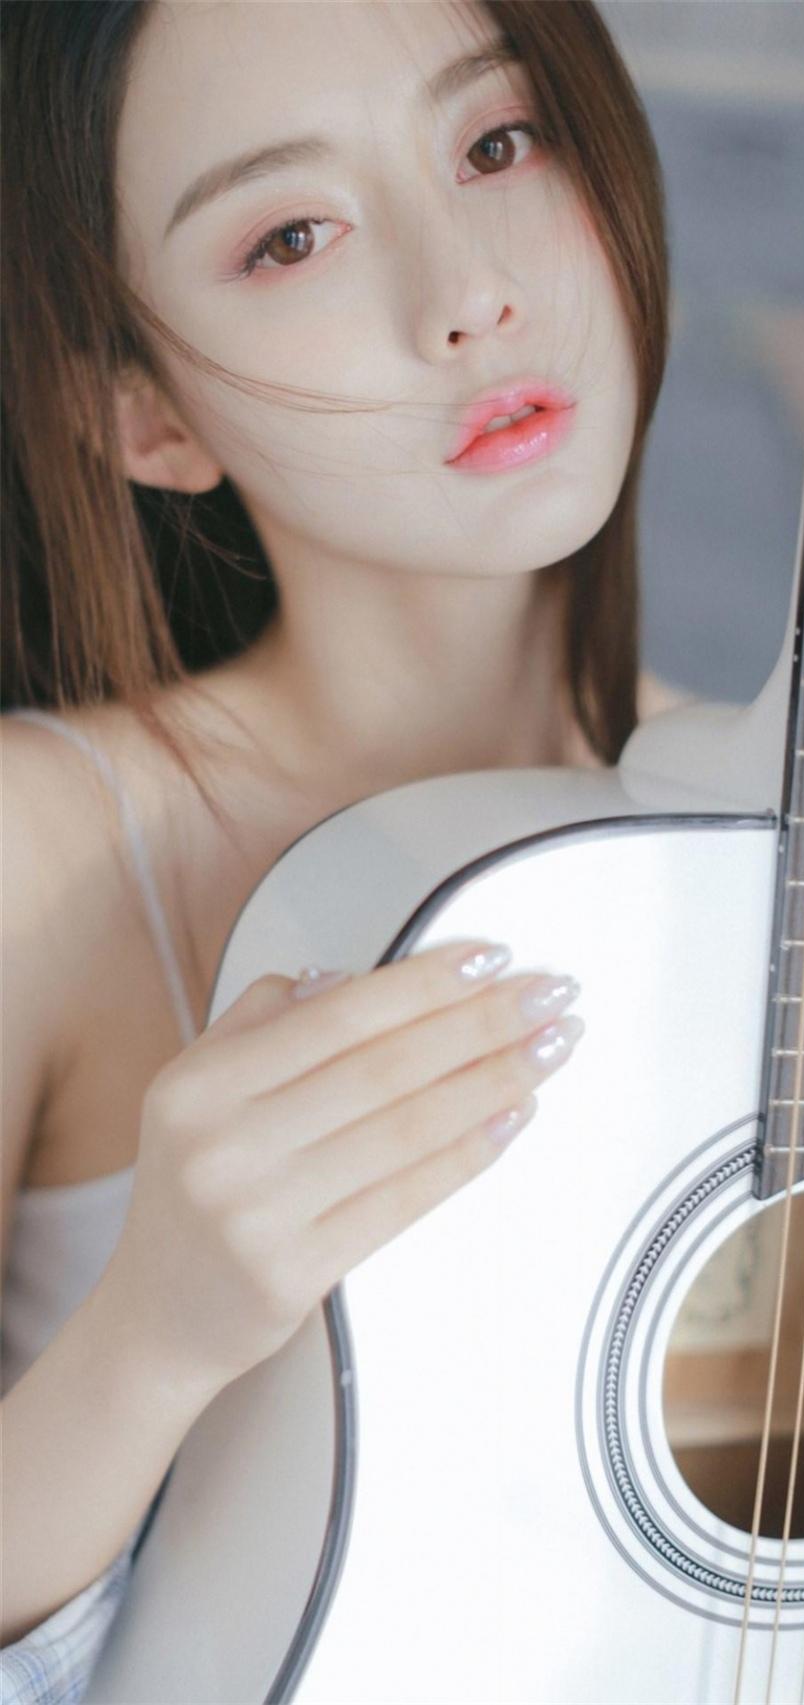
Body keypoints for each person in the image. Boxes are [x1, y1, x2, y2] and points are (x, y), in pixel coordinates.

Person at [1, 0, 675, 1695]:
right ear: (145, 416)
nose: (470, 294)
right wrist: (156, 1330)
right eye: (290, 237)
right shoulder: (49, 842)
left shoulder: (799, 817)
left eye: (498, 143)